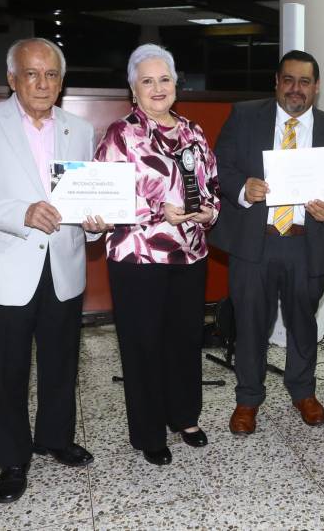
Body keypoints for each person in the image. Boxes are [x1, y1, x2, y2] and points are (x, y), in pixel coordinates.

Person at [0, 38, 111, 503]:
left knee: (60, 364)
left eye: (51, 74)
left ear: (62, 80)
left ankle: (55, 438)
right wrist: (20, 212)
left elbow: (85, 199)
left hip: (64, 267)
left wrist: (97, 225)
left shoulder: (79, 128)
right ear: (12, 78)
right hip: (1, 270)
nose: (42, 84)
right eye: (31, 74)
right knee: (4, 371)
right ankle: (13, 458)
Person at [209, 50, 324, 434]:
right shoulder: (244, 116)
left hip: (308, 243)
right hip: (256, 241)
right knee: (251, 323)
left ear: (317, 87)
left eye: (305, 82)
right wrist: (243, 187)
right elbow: (219, 166)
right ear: (276, 82)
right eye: (288, 80)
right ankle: (248, 399)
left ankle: (303, 391)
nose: (296, 89)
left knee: (303, 323)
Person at [94, 44, 220, 466]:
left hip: (191, 255)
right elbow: (105, 202)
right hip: (138, 259)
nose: (157, 87)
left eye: (164, 79)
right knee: (143, 345)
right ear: (134, 90)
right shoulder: (120, 135)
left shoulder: (194, 132)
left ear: (175, 84)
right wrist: (155, 210)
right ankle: (148, 432)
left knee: (185, 340)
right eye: (147, 81)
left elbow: (212, 188)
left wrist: (208, 211)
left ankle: (185, 417)